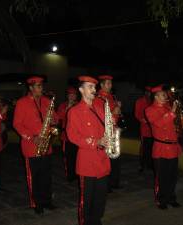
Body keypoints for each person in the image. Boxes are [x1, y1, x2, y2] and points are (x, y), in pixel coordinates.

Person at [67, 75, 110, 225]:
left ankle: (96, 220)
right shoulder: (74, 111)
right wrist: (94, 142)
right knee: (87, 199)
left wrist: (111, 134)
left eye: (94, 87)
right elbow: (72, 136)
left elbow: (107, 129)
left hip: (103, 161)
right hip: (87, 162)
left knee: (100, 197)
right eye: (90, 87)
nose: (94, 90)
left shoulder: (99, 107)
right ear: (81, 90)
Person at [13, 76, 58, 214]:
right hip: (31, 146)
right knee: (34, 177)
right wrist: (32, 137)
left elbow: (55, 119)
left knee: (46, 176)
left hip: (46, 146)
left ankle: (47, 201)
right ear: (31, 88)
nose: (41, 88)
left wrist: (53, 118)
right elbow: (17, 124)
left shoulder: (46, 101)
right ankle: (36, 203)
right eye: (38, 86)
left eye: (41, 85)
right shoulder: (22, 103)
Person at [145, 85, 183, 210]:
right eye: (163, 95)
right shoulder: (149, 110)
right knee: (161, 177)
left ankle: (171, 198)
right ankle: (161, 200)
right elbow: (159, 123)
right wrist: (172, 113)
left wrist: (182, 122)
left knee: (172, 176)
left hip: (173, 146)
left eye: (165, 95)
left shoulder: (168, 107)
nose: (166, 97)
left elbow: (176, 127)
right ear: (156, 96)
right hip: (161, 147)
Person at [93, 75, 122, 192]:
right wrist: (114, 112)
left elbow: (115, 116)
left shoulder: (111, 97)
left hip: (114, 130)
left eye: (111, 83)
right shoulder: (98, 98)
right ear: (101, 85)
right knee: (107, 159)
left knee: (115, 158)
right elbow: (100, 117)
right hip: (105, 132)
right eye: (108, 84)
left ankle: (114, 182)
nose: (110, 86)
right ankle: (107, 185)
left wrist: (118, 110)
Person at [57, 86, 78, 182]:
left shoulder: (79, 105)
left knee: (77, 156)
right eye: (70, 95)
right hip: (66, 136)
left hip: (77, 135)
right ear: (67, 96)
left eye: (73, 95)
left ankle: (77, 174)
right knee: (68, 157)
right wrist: (68, 108)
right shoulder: (62, 105)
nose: (72, 97)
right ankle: (70, 175)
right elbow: (58, 117)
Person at [134, 86, 153, 172]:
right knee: (144, 148)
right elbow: (137, 114)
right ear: (145, 92)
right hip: (144, 129)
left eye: (150, 92)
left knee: (151, 148)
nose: (149, 94)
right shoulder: (139, 101)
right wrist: (142, 120)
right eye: (148, 92)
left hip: (153, 129)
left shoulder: (152, 101)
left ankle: (150, 164)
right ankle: (142, 165)